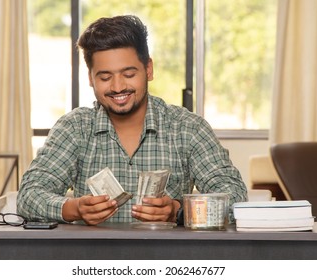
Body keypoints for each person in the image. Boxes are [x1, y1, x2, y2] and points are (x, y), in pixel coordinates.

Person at [17, 15, 248, 226]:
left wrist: (178, 212)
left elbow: (235, 195)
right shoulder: (74, 128)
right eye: (105, 77)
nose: (118, 87)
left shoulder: (187, 128)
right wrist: (73, 208)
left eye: (129, 74)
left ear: (148, 69)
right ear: (90, 78)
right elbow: (29, 195)